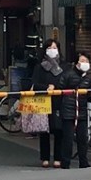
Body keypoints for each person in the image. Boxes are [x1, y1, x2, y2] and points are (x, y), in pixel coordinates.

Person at [57, 51, 91, 170]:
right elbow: (59, 91)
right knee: (67, 138)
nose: (85, 63)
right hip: (68, 111)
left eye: (87, 61)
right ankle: (65, 162)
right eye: (82, 61)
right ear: (76, 62)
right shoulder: (67, 75)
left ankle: (83, 162)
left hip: (82, 111)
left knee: (82, 138)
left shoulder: (88, 78)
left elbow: (89, 95)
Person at [31, 40, 65, 169]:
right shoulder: (39, 67)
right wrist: (46, 87)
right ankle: (45, 158)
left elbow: (66, 81)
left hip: (59, 101)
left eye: (55, 48)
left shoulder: (64, 66)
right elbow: (34, 84)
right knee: (44, 130)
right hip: (43, 102)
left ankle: (58, 158)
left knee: (59, 130)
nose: (52, 50)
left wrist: (57, 87)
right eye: (50, 47)